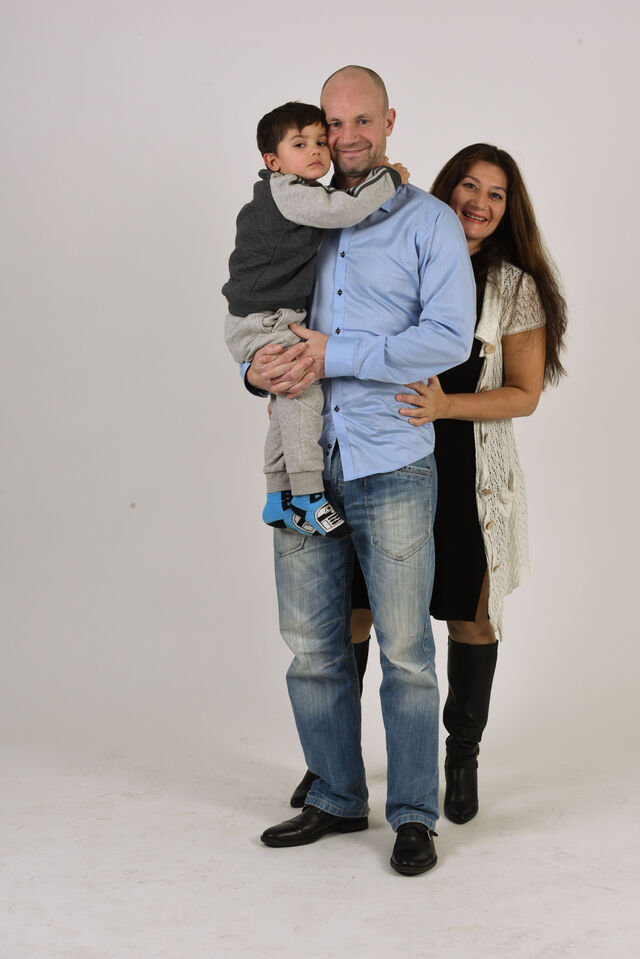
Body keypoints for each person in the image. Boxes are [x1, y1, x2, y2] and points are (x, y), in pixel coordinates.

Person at [246, 65, 476, 876]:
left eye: (361, 121)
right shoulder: (294, 214)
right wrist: (252, 370)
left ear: (388, 122)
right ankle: (338, 795)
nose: (345, 137)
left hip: (392, 461)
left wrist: (336, 354)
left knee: (406, 651)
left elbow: (448, 336)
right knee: (311, 646)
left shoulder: (428, 220)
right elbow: (256, 310)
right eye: (333, 123)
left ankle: (413, 813)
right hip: (300, 461)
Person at [394, 143, 567, 824]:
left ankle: (461, 757)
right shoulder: (403, 254)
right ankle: (336, 763)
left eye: (497, 194)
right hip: (386, 464)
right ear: (446, 191)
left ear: (508, 209)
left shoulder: (514, 288)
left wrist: (445, 407)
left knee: (471, 614)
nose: (480, 202)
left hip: (469, 476)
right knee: (360, 608)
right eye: (469, 185)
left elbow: (523, 393)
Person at [223, 101, 403, 537]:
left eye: (321, 141)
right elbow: (340, 210)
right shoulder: (289, 191)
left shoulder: (287, 192)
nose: (317, 151)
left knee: (286, 399)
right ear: (273, 161)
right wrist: (388, 179)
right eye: (300, 144)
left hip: (256, 318)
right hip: (266, 318)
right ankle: (308, 496)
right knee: (302, 390)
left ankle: (277, 498)